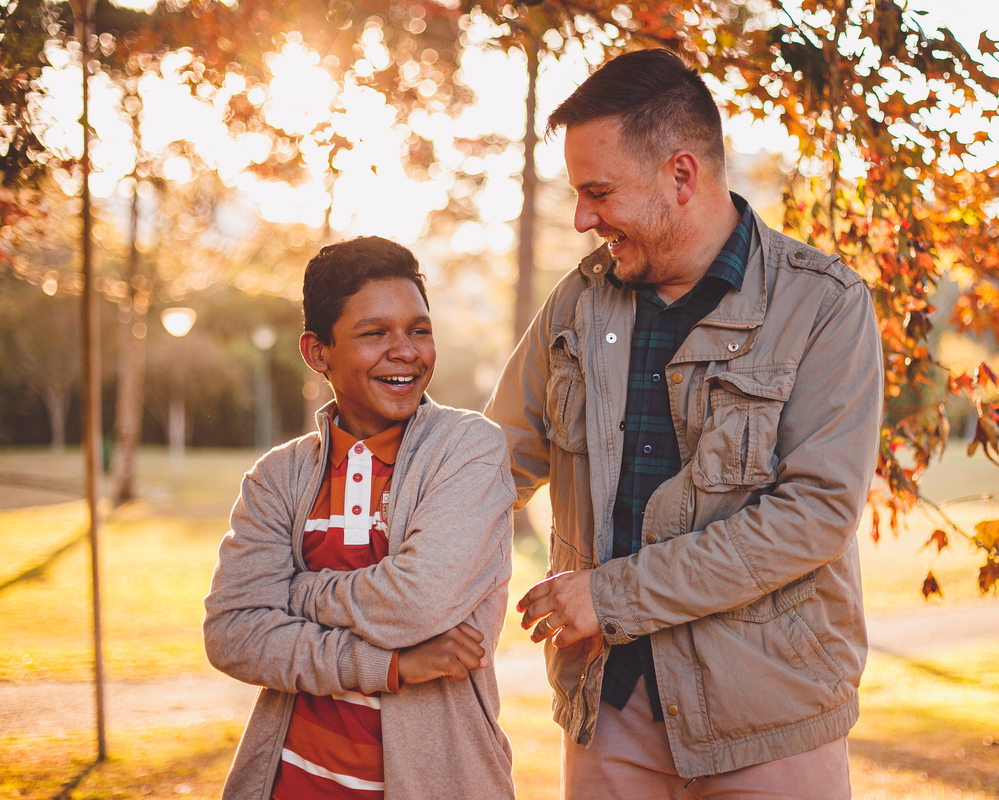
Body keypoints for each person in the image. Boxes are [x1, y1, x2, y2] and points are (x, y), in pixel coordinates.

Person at [484, 49, 883, 798]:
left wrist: (611, 597)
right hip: (611, 707)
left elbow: (815, 515)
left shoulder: (825, 306)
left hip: (770, 718)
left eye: (598, 192)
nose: (582, 219)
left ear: (681, 175)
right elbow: (490, 466)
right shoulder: (577, 304)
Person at [204, 236, 517, 800]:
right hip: (291, 783)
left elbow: (418, 603)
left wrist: (294, 594)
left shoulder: (468, 449)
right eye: (375, 333)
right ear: (317, 352)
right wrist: (386, 664)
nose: (406, 351)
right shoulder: (279, 477)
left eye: (419, 330)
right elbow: (232, 634)